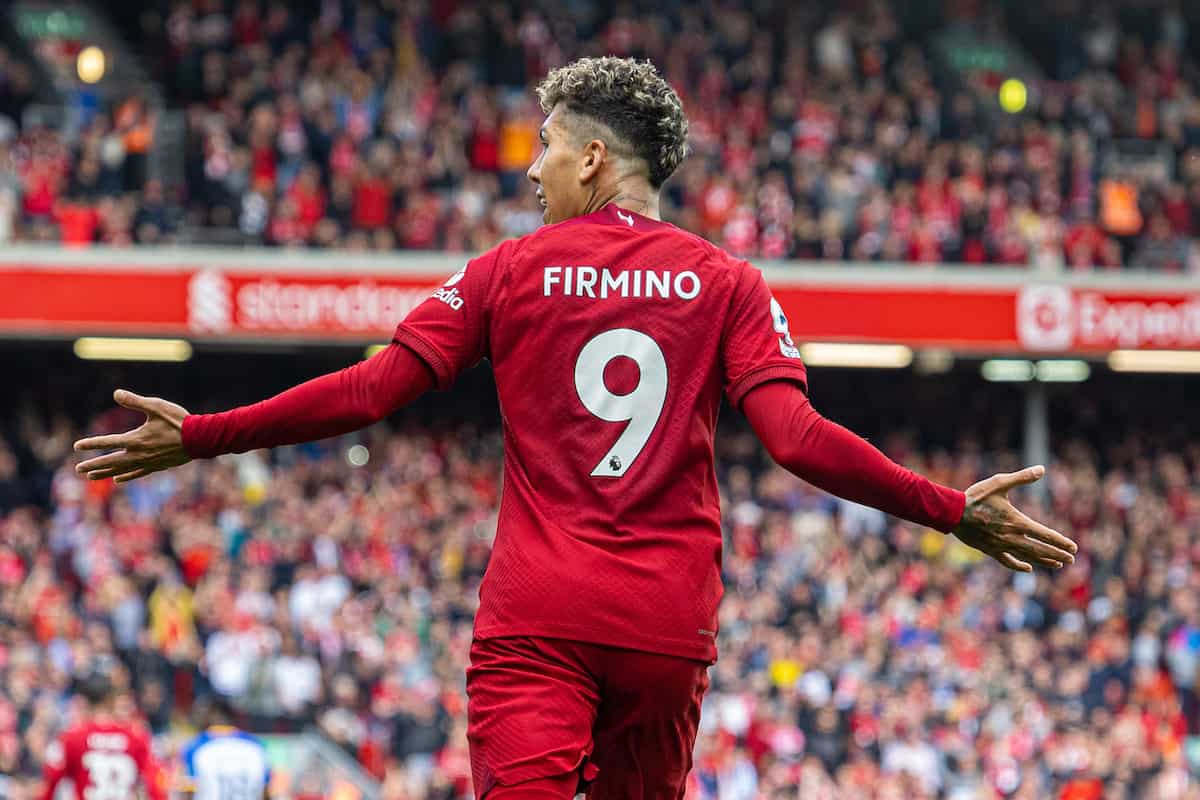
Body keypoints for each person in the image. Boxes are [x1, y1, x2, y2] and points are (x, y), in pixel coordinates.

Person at [75, 57, 1077, 799]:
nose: (533, 172)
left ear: (594, 155)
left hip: (539, 619)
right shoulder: (729, 282)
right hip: (665, 627)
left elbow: (374, 389)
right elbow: (796, 437)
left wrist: (206, 432)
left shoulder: (510, 268)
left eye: (547, 148)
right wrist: (947, 510)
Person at [40, 671, 166, 800]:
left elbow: (51, 782)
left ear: (83, 702)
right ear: (111, 699)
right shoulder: (137, 737)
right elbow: (154, 783)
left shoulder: (71, 738)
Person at [178, 698, 271, 800]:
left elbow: (187, 793)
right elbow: (266, 791)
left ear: (210, 716)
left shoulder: (195, 747)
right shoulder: (256, 746)